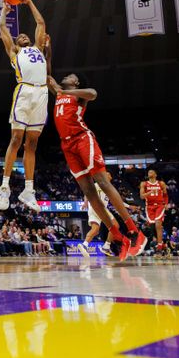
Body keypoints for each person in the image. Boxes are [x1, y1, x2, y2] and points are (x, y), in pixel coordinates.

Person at [47, 73, 147, 260]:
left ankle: (134, 232)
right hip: (66, 145)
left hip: (82, 139)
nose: (66, 76)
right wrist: (46, 49)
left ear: (75, 83)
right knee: (89, 192)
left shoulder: (78, 95)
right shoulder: (59, 93)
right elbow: (46, 75)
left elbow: (93, 93)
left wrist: (63, 90)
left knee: (102, 182)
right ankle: (117, 236)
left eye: (71, 76)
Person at [0, 0, 48, 212]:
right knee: (16, 138)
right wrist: (4, 12)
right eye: (21, 36)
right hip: (24, 92)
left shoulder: (38, 48)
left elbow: (40, 21)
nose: (24, 36)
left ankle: (28, 190)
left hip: (42, 93)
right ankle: (5, 186)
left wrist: (28, 1)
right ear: (16, 43)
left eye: (26, 35)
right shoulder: (15, 52)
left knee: (33, 144)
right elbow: (2, 29)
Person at [80, 183, 125, 257]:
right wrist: (85, 202)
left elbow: (115, 201)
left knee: (95, 229)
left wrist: (128, 206)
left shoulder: (108, 186)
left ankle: (84, 245)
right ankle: (106, 246)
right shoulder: (99, 183)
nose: (109, 175)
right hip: (99, 207)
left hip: (93, 208)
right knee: (115, 226)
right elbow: (87, 192)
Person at [140, 169, 169, 254]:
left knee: (158, 224)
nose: (149, 173)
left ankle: (159, 247)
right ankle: (163, 245)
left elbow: (165, 195)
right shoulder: (144, 184)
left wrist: (166, 204)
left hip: (160, 205)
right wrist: (150, 192)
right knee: (152, 226)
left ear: (156, 174)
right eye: (148, 172)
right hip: (149, 206)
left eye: (151, 172)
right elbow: (142, 196)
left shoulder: (161, 183)